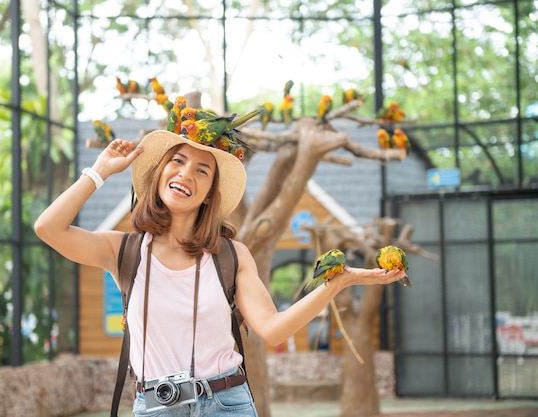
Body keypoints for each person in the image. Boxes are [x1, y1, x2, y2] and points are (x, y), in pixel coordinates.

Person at [34, 129, 405, 416]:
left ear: (211, 191)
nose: (185, 174)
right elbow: (48, 228)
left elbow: (274, 328)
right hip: (156, 405)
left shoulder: (231, 255)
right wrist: (99, 172)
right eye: (177, 161)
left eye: (201, 170)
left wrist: (338, 282)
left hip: (226, 403)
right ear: (160, 171)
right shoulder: (124, 250)